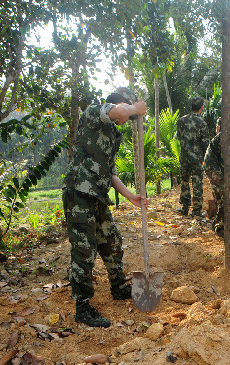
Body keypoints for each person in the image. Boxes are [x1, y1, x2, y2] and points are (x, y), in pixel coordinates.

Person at [63, 87, 148, 328]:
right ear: (120, 103)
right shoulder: (93, 114)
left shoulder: (114, 135)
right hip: (79, 194)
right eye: (128, 114)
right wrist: (136, 108)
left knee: (112, 241)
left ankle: (119, 287)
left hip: (98, 197)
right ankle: (83, 307)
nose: (128, 119)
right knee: (84, 251)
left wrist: (131, 196)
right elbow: (116, 111)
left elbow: (110, 173)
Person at [175, 97, 210, 217]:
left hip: (184, 157)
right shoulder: (202, 123)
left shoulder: (181, 121)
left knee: (184, 182)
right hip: (197, 159)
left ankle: (184, 208)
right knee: (197, 184)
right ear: (201, 108)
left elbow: (179, 137)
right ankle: (196, 211)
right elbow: (206, 143)